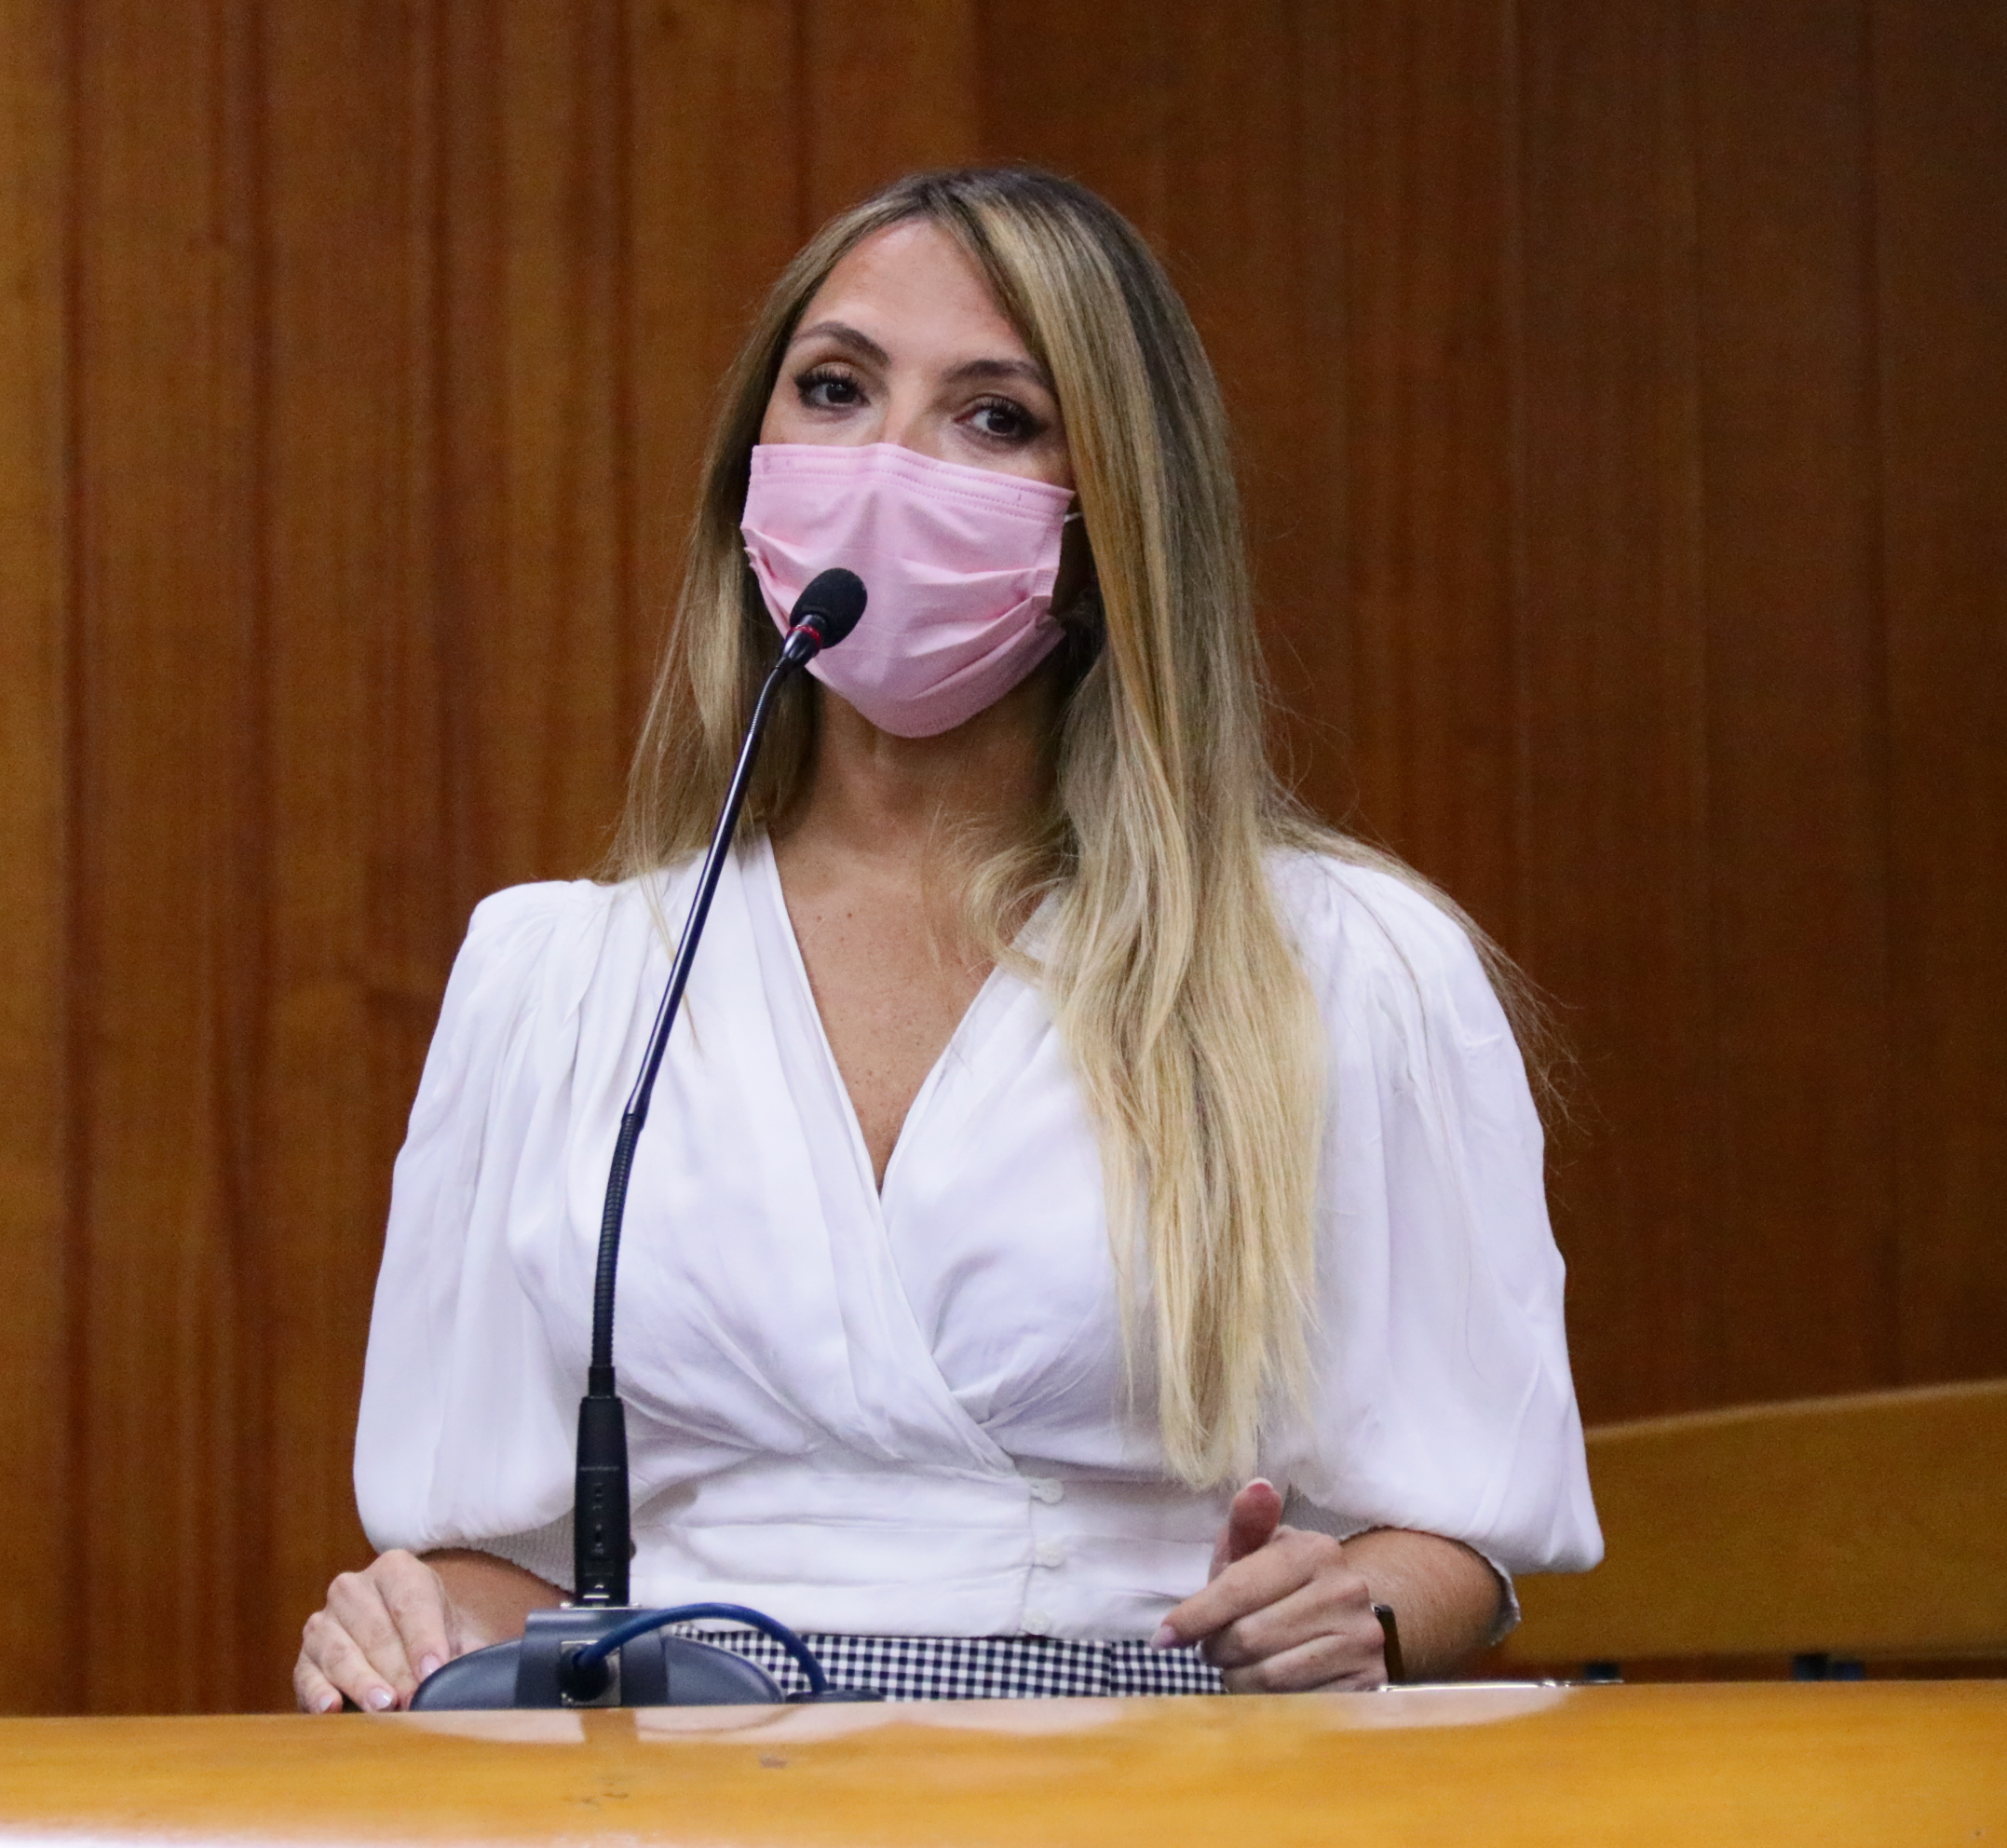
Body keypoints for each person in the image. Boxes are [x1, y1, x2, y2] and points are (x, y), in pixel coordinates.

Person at [293, 167, 1601, 1712]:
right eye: (835, 388)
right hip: (688, 1775)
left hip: (1158, 1765)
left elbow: (1466, 1533)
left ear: (1116, 514)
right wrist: (403, 1627)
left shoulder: (1343, 962)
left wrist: (1355, 1605)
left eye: (994, 416)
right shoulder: (561, 979)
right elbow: (490, 1564)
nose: (887, 466)